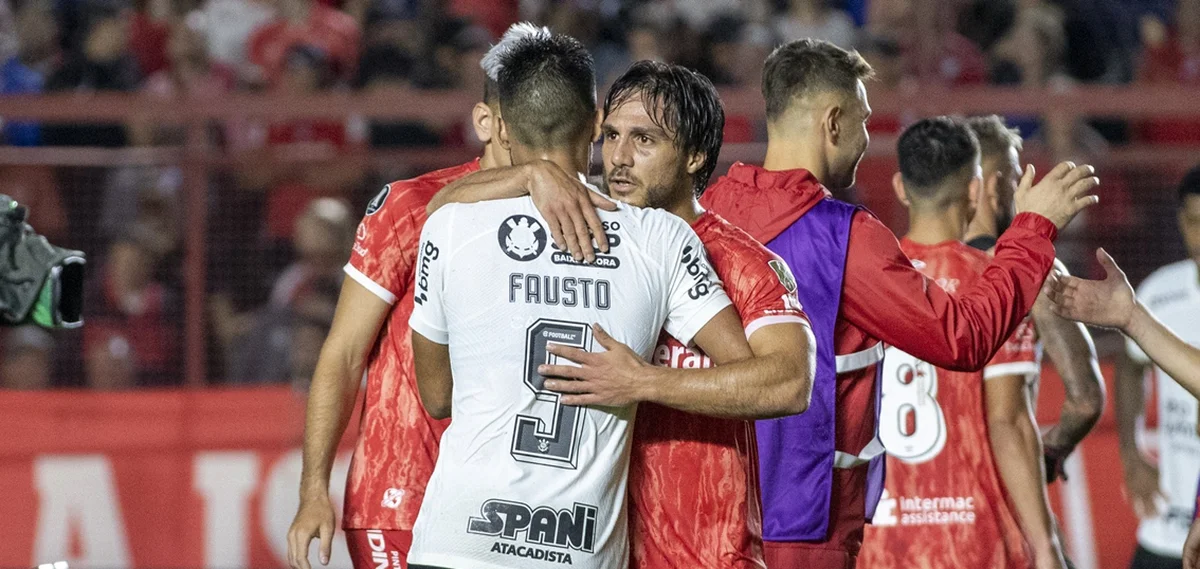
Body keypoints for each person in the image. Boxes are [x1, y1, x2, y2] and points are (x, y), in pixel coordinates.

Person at [697, 38, 1099, 568]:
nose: (867, 138)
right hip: (806, 531)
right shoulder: (844, 239)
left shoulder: (703, 214)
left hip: (704, 520)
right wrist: (1032, 229)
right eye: (863, 121)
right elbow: (963, 336)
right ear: (833, 122)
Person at [405, 30, 796, 569]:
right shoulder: (658, 240)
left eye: (645, 140)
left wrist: (642, 381)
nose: (619, 157)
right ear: (592, 124)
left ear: (502, 128)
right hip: (582, 545)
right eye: (612, 135)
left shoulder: (452, 224)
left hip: (460, 538)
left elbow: (436, 395)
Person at [285, 24, 529, 569]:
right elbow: (345, 353)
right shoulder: (411, 206)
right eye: (529, 120)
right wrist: (312, 490)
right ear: (486, 121)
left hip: (509, 509)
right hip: (402, 497)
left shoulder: (572, 219)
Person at [857, 117, 1066, 569]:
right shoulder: (993, 282)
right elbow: (1008, 422)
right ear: (975, 190)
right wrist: (1046, 544)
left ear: (900, 187)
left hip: (878, 538)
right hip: (972, 536)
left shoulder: (863, 279)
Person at [1047, 164, 1200, 569]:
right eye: (1192, 221)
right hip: (1171, 521)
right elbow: (1133, 369)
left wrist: (1131, 317)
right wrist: (1131, 454)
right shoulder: (1162, 292)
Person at [964, 114, 1105, 483]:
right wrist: (1053, 450)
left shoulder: (909, 268)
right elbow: (1086, 399)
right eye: (1015, 178)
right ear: (996, 187)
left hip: (917, 493)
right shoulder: (1035, 271)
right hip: (1005, 489)